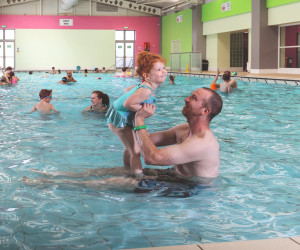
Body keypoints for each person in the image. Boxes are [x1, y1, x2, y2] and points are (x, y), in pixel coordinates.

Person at [23, 87, 223, 192]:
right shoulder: (182, 129)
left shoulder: (203, 143)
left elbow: (152, 157)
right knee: (111, 171)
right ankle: (49, 175)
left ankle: (46, 184)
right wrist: (122, 119)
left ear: (205, 111)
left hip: (190, 188)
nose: (187, 99)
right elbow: (141, 142)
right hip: (174, 175)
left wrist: (139, 120)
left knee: (115, 182)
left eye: (193, 98)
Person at [106, 51, 167, 178]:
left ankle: (127, 171)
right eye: (158, 69)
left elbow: (127, 90)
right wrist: (142, 111)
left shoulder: (143, 86)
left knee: (130, 147)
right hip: (119, 120)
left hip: (118, 116)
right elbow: (128, 103)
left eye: (164, 68)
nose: (163, 71)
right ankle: (138, 178)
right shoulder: (146, 91)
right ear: (147, 75)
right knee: (136, 151)